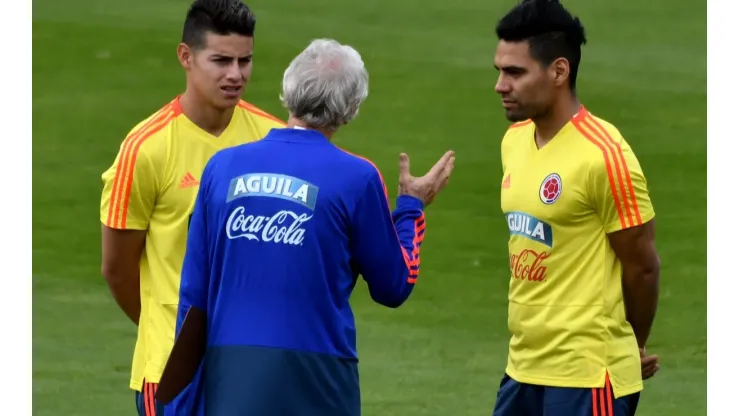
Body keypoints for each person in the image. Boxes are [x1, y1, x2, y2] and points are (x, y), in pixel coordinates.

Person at [170, 38, 455, 415]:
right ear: (351, 108)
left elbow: (194, 292)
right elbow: (393, 285)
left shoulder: (222, 168)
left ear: (288, 92)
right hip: (319, 374)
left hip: (231, 371)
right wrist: (410, 207)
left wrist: (180, 396)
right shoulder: (357, 177)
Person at [98, 0, 284, 414]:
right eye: (221, 60)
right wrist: (171, 333)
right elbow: (117, 268)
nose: (236, 74)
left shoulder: (273, 137)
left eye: (245, 60)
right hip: (172, 368)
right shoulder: (145, 149)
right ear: (186, 56)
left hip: (252, 362)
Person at [491, 1, 661, 415]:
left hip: (588, 376)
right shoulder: (514, 140)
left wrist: (632, 345)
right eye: (499, 70)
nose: (500, 84)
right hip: (523, 367)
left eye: (515, 72)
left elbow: (642, 266)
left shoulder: (604, 156)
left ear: (559, 71)